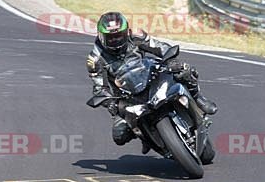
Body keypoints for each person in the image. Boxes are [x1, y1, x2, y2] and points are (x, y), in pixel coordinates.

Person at [86, 12, 217, 149]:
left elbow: (160, 47)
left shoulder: (135, 36)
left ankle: (198, 99)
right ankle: (146, 138)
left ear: (126, 32)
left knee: (185, 71)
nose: (115, 41)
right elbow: (99, 87)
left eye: (118, 36)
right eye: (111, 38)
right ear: (101, 36)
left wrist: (171, 60)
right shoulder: (95, 60)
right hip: (125, 96)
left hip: (149, 77)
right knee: (119, 135)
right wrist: (109, 102)